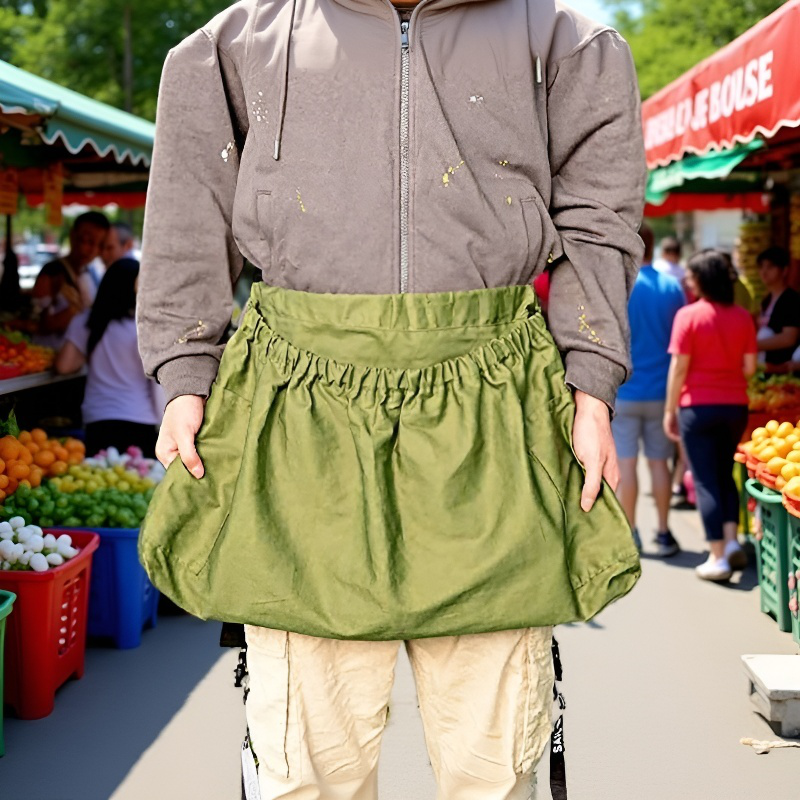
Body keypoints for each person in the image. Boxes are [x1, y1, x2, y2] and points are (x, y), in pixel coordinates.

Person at [136, 2, 647, 797]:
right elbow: (185, 209)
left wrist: (592, 384)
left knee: (496, 763)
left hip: (495, 409)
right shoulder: (232, 45)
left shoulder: (568, 40)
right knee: (307, 766)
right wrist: (183, 371)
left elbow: (599, 217)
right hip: (297, 418)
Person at [664, 250, 757, 582]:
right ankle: (732, 542)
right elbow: (749, 369)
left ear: (703, 279)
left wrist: (670, 409)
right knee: (725, 475)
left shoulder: (688, 317)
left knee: (704, 482)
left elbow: (679, 368)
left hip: (696, 407)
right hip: (735, 406)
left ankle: (717, 556)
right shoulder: (743, 317)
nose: (688, 281)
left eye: (691, 276)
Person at [613, 224, 685, 556]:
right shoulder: (673, 287)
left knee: (626, 465)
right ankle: (664, 531)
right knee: (659, 464)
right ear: (654, 247)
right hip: (662, 391)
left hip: (624, 390)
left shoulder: (620, 286)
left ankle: (630, 532)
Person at [55, 258, 162, 458]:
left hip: (98, 420)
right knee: (138, 486)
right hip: (140, 420)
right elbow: (156, 381)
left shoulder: (86, 322)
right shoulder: (144, 328)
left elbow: (63, 366)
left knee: (102, 483)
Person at [31, 211, 109, 346]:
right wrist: (75, 310)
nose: (92, 249)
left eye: (99, 244)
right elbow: (38, 324)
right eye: (87, 241)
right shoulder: (51, 273)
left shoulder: (91, 273)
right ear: (73, 235)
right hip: (50, 353)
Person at [756, 246, 800, 367]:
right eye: (761, 267)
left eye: (770, 267)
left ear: (784, 270)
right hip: (765, 364)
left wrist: (752, 345)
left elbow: (789, 338)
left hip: (784, 367)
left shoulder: (791, 300)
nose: (764, 272)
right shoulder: (766, 300)